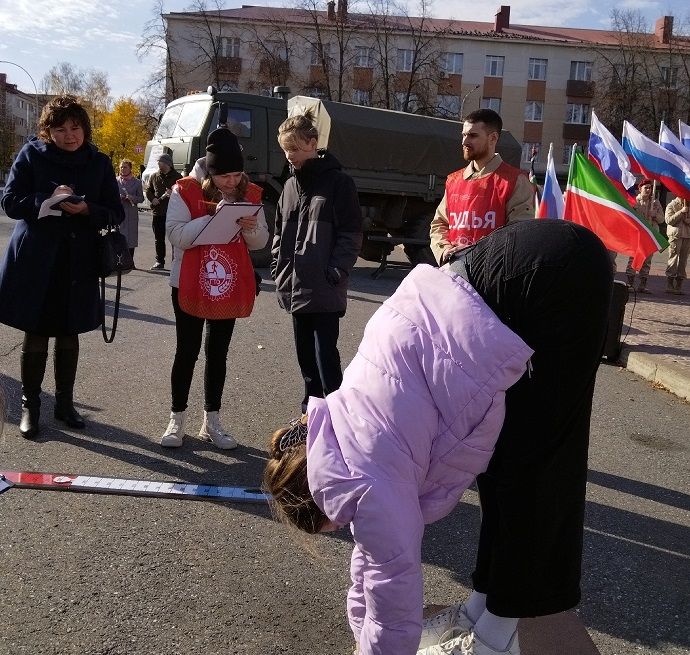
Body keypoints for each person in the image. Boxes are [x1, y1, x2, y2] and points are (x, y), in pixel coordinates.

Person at [264, 219, 613, 655]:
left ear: (322, 505)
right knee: (503, 469)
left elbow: (392, 583)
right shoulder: (336, 434)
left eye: (332, 526)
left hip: (553, 281)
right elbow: (369, 565)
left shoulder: (363, 484)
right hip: (506, 267)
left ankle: (494, 641)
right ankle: (479, 612)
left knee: (534, 474)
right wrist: (360, 633)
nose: (345, 529)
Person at [0, 95, 124, 439]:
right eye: (60, 129)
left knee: (69, 331)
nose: (70, 135)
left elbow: (116, 211)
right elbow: (10, 201)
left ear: (85, 128)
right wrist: (45, 202)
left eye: (75, 127)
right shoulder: (30, 155)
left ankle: (65, 405)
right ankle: (30, 406)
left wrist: (87, 211)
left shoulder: (98, 162)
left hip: (79, 259)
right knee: (36, 330)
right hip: (37, 258)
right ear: (48, 131)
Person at [160, 128, 269, 448]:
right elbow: (176, 235)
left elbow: (260, 242)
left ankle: (212, 421)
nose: (231, 182)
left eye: (237, 175)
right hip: (189, 281)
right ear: (210, 169)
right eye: (224, 176)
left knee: (217, 353)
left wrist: (252, 229)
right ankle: (176, 420)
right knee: (187, 351)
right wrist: (212, 217)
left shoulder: (248, 193)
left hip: (227, 282)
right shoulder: (185, 190)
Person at [271, 110, 362, 415]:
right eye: (286, 150)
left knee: (326, 358)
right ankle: (310, 413)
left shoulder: (339, 183)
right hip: (294, 287)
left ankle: (336, 413)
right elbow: (278, 234)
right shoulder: (289, 188)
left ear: (313, 143)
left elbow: (351, 233)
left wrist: (336, 270)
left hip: (324, 288)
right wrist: (278, 270)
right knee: (305, 359)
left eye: (294, 149)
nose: (290, 156)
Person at [429, 109, 533, 266]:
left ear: (493, 138)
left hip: (492, 275)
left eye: (472, 135)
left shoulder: (515, 180)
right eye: (464, 135)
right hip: (455, 273)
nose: (464, 142)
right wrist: (444, 250)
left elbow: (518, 234)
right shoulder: (454, 180)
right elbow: (439, 224)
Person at [625, 179, 664, 293]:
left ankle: (642, 284)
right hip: (637, 234)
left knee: (647, 260)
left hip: (650, 235)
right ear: (640, 189)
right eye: (646, 187)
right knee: (634, 257)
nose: (648, 190)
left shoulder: (655, 203)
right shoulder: (634, 202)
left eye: (650, 188)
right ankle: (630, 283)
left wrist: (655, 215)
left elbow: (661, 220)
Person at [145, 152, 181, 270]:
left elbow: (184, 194)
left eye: (160, 162)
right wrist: (153, 198)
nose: (159, 164)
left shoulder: (178, 177)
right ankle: (159, 261)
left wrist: (174, 194)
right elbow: (148, 190)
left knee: (174, 239)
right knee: (158, 238)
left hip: (173, 213)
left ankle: (176, 261)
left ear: (168, 163)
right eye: (158, 162)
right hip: (158, 212)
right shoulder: (154, 176)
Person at [116, 159, 144, 268]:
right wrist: (118, 197)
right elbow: (110, 195)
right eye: (121, 167)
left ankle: (130, 262)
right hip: (119, 212)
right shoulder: (116, 181)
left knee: (131, 238)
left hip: (131, 213)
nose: (123, 169)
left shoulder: (137, 182)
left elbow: (141, 198)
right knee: (120, 236)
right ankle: (119, 261)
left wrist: (133, 198)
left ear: (130, 168)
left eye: (125, 167)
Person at [664, 196, 690, 295]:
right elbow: (669, 220)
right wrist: (681, 212)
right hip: (675, 236)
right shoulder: (672, 205)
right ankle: (670, 283)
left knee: (683, 261)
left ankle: (679, 283)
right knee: (673, 259)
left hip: (687, 236)